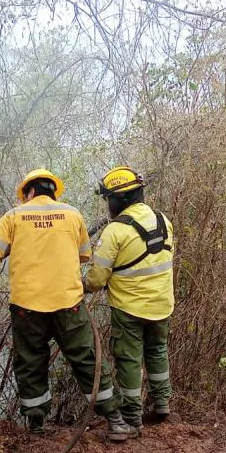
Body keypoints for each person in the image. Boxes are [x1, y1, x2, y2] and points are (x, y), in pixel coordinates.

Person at [0, 169, 136, 441]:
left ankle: (36, 428)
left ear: (29, 192)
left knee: (31, 363)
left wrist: (15, 246)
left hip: (27, 308)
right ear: (53, 191)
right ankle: (116, 421)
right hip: (68, 305)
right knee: (88, 360)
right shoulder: (72, 215)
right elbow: (84, 254)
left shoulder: (14, 217)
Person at [84, 166, 175, 434]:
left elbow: (97, 278)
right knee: (157, 351)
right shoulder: (163, 220)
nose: (107, 205)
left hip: (129, 308)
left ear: (119, 200)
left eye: (108, 199)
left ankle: (132, 419)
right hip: (162, 304)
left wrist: (79, 286)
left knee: (129, 360)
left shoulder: (115, 231)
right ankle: (162, 404)